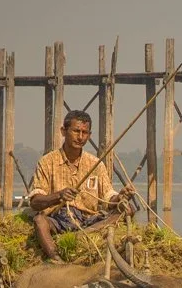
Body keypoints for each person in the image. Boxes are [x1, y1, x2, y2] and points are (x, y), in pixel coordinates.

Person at [27, 109, 134, 263]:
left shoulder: (96, 164)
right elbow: (35, 201)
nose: (80, 137)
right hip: (58, 219)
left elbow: (108, 197)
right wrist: (58, 196)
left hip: (90, 220)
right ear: (64, 131)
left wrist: (120, 197)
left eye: (85, 132)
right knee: (39, 221)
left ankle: (83, 234)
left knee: (128, 210)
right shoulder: (47, 162)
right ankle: (57, 259)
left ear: (89, 135)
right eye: (76, 131)